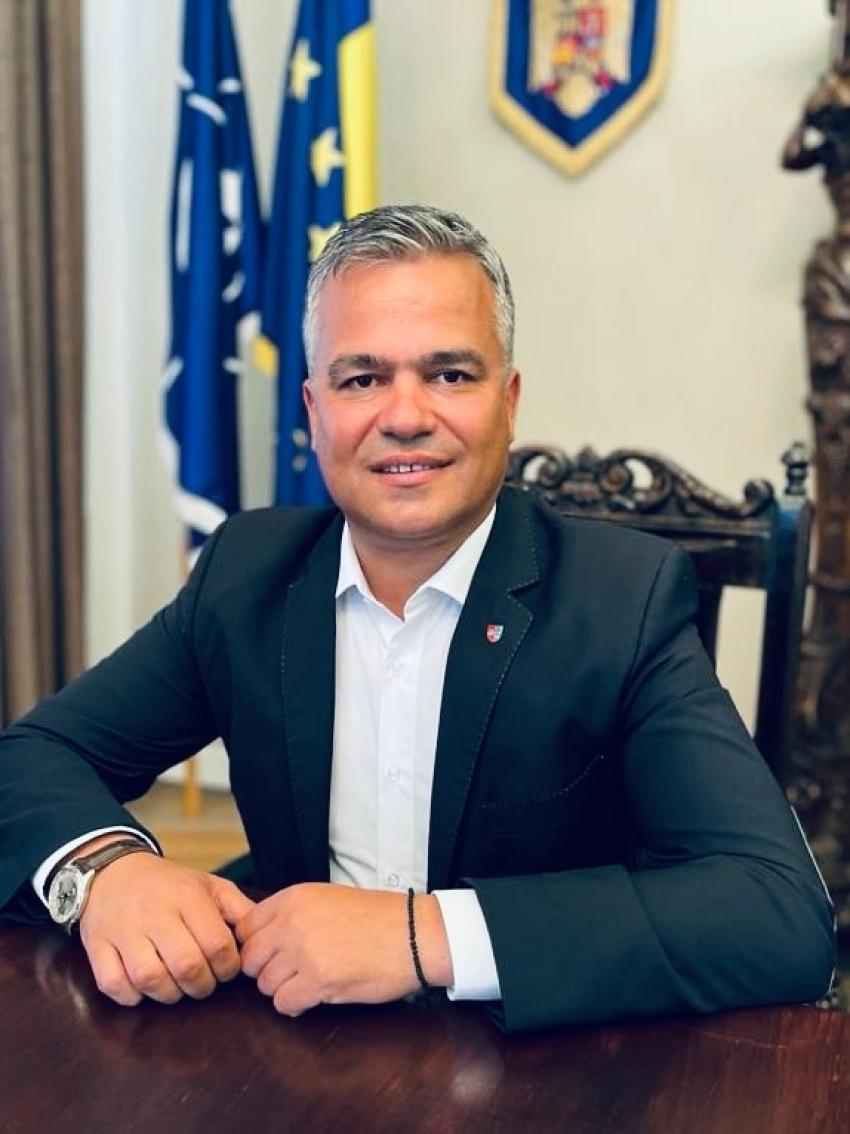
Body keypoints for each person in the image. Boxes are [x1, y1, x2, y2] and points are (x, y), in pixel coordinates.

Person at [0, 205, 835, 1033]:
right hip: (298, 1046)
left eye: (449, 375)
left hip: (547, 1060)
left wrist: (424, 935)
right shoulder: (246, 575)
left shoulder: (622, 598)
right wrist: (102, 871)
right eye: (361, 379)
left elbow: (776, 910)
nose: (404, 416)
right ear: (314, 410)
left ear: (508, 402)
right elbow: (33, 756)